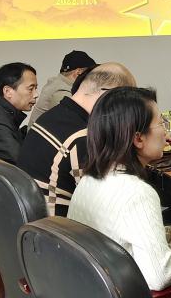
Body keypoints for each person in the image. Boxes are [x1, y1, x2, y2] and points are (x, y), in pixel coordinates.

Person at [67, 87, 171, 291]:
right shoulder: (138, 193)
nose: (165, 132)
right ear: (138, 139)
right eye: (161, 123)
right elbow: (160, 277)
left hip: (88, 293)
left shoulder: (89, 179)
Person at [17, 62, 136, 216]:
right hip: (57, 226)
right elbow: (109, 206)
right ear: (110, 96)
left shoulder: (50, 116)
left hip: (31, 220)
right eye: (126, 104)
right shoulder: (83, 138)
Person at [29, 50, 96, 125]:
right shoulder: (62, 92)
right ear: (78, 72)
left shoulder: (56, 83)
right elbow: (74, 123)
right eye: (90, 75)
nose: (92, 79)